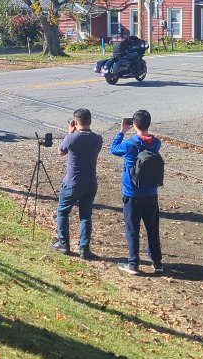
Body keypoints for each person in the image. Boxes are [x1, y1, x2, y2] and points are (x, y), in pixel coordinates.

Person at [110, 110, 164, 275]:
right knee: (152, 228)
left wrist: (122, 131)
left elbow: (113, 149)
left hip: (132, 193)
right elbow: (150, 141)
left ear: (134, 124)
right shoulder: (156, 143)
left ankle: (133, 263)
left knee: (132, 229)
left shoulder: (129, 144)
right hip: (151, 193)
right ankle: (157, 262)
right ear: (149, 124)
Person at [51, 108, 104, 260]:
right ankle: (84, 249)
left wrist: (70, 132)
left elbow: (60, 152)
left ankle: (64, 243)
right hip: (90, 182)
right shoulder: (97, 139)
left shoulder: (71, 138)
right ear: (90, 122)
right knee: (85, 215)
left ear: (75, 122)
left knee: (62, 211)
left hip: (72, 182)